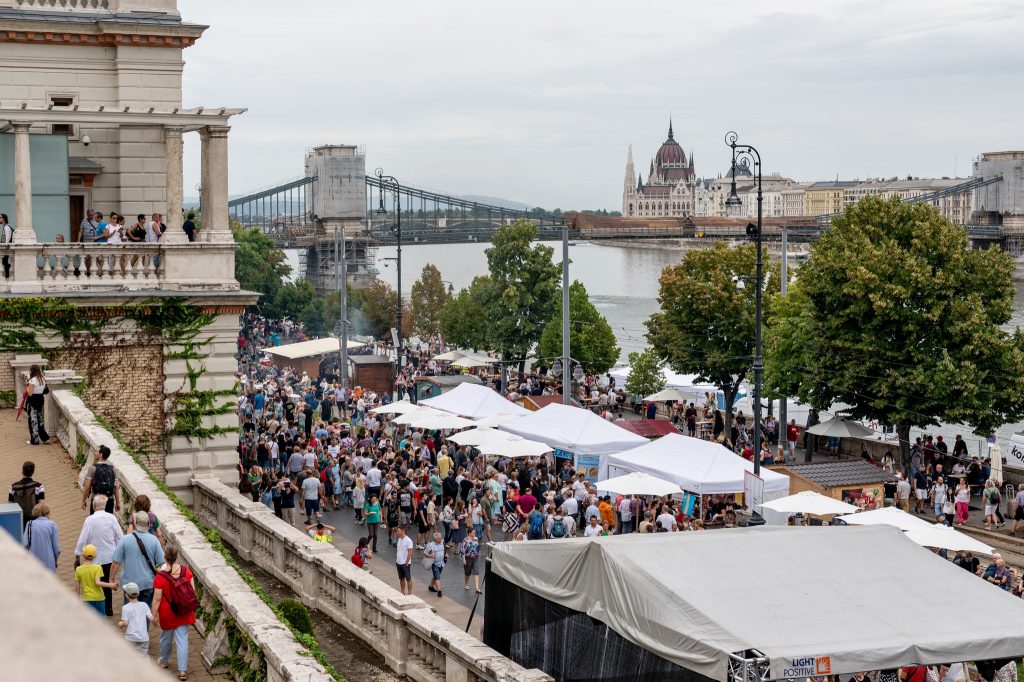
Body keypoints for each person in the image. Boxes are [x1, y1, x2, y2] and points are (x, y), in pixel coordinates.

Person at [152, 544, 197, 680]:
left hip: (167, 613)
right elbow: (192, 592)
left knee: (166, 638)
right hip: (183, 611)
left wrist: (153, 615)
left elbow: (157, 598)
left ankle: (164, 660)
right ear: (177, 557)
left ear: (165, 557)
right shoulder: (187, 571)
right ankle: (182, 670)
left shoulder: (160, 576)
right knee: (182, 639)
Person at [74, 494, 123, 616]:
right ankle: (108, 608)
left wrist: (78, 554)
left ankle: (95, 606)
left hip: (94, 558)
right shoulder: (112, 518)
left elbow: (83, 538)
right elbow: (119, 537)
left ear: (94, 505)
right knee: (107, 580)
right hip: (110, 557)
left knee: (95, 582)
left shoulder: (90, 520)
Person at [110, 511, 165, 607]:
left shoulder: (125, 539)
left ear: (135, 524)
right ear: (148, 524)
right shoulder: (154, 540)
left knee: (130, 612)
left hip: (129, 583)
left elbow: (116, 563)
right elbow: (162, 563)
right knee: (145, 612)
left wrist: (111, 580)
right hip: (147, 582)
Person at [76, 543, 119, 616]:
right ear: (95, 556)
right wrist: (111, 585)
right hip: (99, 598)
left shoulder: (78, 569)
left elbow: (77, 587)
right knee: (101, 621)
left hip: (87, 598)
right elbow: (98, 583)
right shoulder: (98, 568)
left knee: (89, 620)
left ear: (83, 555)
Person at [82, 445, 120, 515]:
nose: (95, 453)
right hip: (109, 500)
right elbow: (116, 487)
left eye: (97, 451)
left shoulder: (93, 468)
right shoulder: (113, 469)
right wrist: (117, 503)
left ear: (101, 455)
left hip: (96, 500)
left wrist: (83, 500)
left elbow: (87, 487)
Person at [22, 502, 59, 572]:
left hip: (33, 560)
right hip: (48, 561)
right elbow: (56, 548)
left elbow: (25, 543)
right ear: (47, 512)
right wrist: (55, 560)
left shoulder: (29, 524)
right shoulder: (52, 524)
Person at [8, 460, 45, 529]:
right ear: (33, 472)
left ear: (22, 471)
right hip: (34, 521)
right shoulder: (39, 486)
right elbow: (41, 505)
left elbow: (10, 505)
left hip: (18, 521)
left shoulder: (12, 487)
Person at [119, 582, 153, 656]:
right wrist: (155, 621)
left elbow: (125, 623)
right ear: (138, 593)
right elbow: (151, 618)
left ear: (126, 595)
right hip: (143, 637)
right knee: (143, 656)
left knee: (129, 656)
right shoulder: (144, 605)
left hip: (130, 637)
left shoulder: (125, 607)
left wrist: (120, 624)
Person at [22, 364, 50, 445]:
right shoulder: (42, 379)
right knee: (40, 420)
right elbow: (46, 391)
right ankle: (44, 437)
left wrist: (27, 386)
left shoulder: (32, 380)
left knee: (33, 421)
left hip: (32, 401)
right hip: (40, 400)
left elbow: (30, 393)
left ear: (32, 371)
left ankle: (34, 440)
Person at [424, 531, 446, 598]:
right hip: (434, 563)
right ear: (435, 539)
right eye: (439, 538)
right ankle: (439, 591)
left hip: (442, 563)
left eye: (440, 537)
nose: (441, 539)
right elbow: (425, 553)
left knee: (436, 575)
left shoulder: (442, 542)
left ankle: (431, 586)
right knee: (437, 577)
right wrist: (431, 556)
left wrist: (446, 554)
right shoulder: (431, 545)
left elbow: (444, 550)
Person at [460, 527, 482, 593]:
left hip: (475, 558)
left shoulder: (476, 539)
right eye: (473, 532)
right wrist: (464, 559)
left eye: (475, 532)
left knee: (476, 572)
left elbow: (478, 548)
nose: (474, 533)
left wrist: (479, 555)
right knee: (467, 573)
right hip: (468, 558)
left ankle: (477, 588)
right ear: (469, 533)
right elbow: (463, 550)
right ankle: (466, 584)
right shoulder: (465, 540)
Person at [395, 526, 414, 596]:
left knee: (408, 578)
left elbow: (410, 552)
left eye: (398, 531)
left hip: (405, 563)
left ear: (403, 531)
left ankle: (409, 594)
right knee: (401, 578)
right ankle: (402, 592)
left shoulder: (408, 540)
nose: (397, 532)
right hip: (398, 562)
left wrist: (407, 562)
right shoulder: (399, 539)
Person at [0, 213, 12, 278]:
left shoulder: (7, 227)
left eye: (0, 217)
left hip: (5, 248)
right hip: (4, 248)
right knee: (4, 262)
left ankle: (7, 275)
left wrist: (4, 247)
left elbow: (7, 238)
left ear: (3, 218)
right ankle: (7, 275)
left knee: (4, 262)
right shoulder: (6, 227)